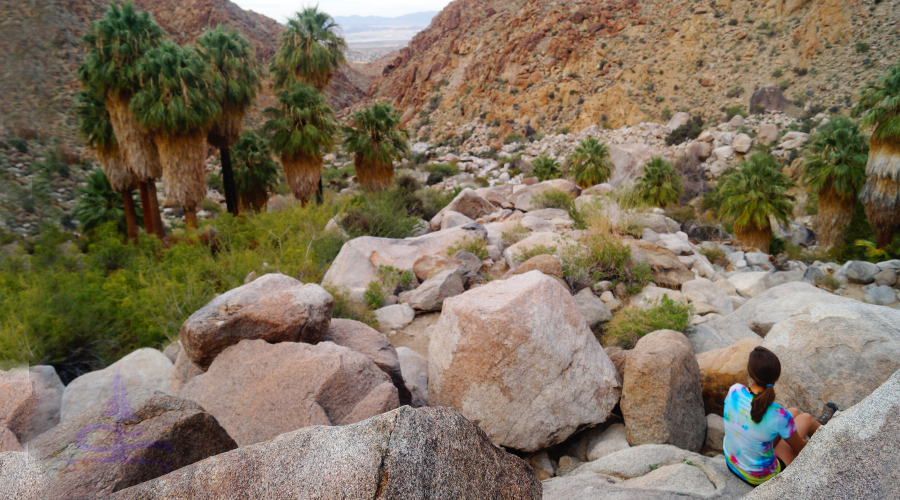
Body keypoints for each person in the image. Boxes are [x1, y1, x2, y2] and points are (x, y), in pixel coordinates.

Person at [722, 346, 837, 487]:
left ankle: (819, 429)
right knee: (806, 418)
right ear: (776, 376)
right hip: (760, 477)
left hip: (732, 463)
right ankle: (828, 439)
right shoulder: (778, 414)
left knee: (794, 412)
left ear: (750, 372)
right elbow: (799, 448)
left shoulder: (734, 391)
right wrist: (813, 445)